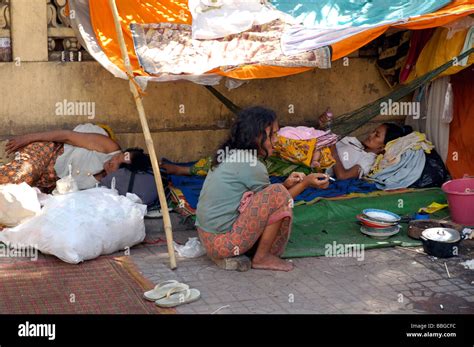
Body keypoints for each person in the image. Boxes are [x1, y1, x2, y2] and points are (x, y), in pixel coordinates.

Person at [195, 106, 330, 272]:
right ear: (257, 137)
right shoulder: (252, 165)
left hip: (207, 238)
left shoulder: (232, 154)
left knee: (276, 192)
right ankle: (262, 257)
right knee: (277, 194)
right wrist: (305, 183)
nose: (276, 140)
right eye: (272, 135)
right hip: (223, 244)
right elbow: (277, 199)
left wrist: (287, 184)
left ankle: (259, 253)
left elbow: (261, 200)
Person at [1, 123, 149, 193]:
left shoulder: (106, 188)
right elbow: (67, 136)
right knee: (20, 176)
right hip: (48, 153)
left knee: (17, 194)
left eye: (119, 164)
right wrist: (28, 138)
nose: (113, 160)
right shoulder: (108, 147)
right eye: (119, 156)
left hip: (48, 182)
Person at [329, 123, 413, 180]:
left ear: (383, 147)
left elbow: (343, 176)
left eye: (376, 135)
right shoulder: (356, 143)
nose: (370, 135)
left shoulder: (368, 159)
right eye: (373, 131)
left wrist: (332, 148)